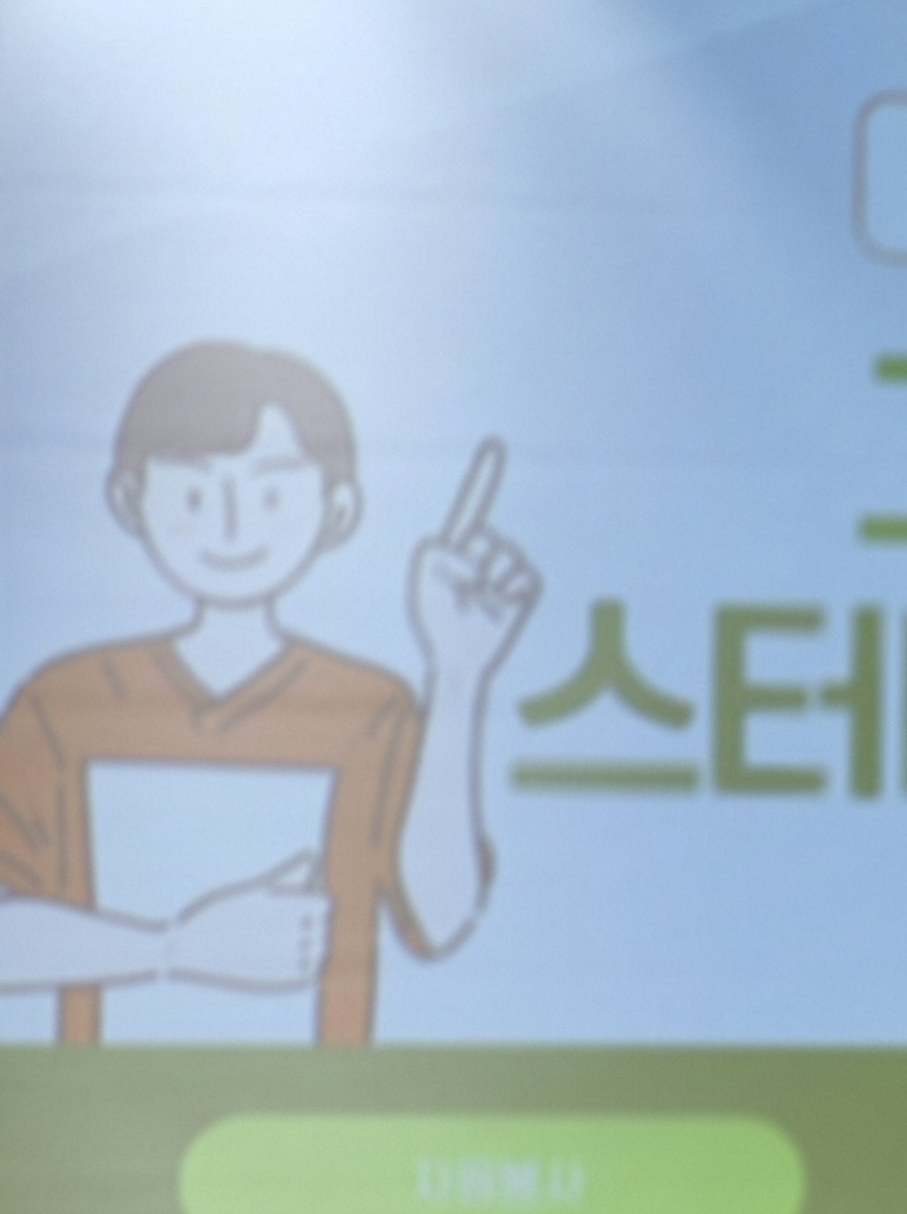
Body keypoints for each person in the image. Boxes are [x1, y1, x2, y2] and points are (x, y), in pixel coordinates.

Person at [0, 340, 538, 1041]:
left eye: (272, 495)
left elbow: (437, 920)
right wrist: (177, 949)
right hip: (97, 1104)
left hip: (316, 1105)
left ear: (336, 510)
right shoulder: (67, 701)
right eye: (194, 495)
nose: (232, 526)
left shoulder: (370, 709)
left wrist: (459, 673)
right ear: (131, 501)